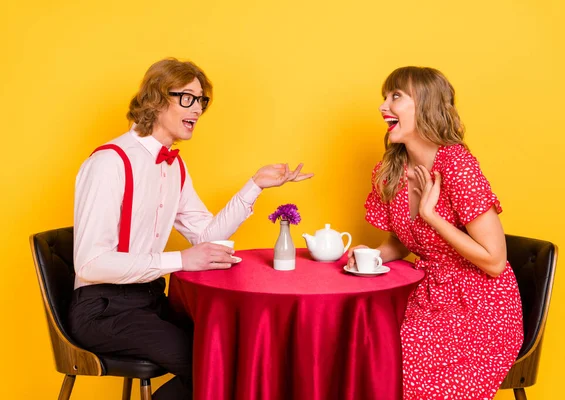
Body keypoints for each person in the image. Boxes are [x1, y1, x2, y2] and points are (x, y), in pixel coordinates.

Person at [68, 57, 313, 400]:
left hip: (151, 301)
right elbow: (91, 264)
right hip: (102, 309)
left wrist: (254, 185)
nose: (196, 108)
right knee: (214, 365)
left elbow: (206, 237)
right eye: (186, 97)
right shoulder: (109, 162)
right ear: (155, 99)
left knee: (239, 349)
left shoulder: (174, 166)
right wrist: (180, 260)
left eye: (200, 100)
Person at [348, 66, 523, 399]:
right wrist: (359, 258)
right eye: (385, 97)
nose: (383, 106)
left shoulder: (457, 165)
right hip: (425, 295)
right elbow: (398, 245)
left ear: (425, 106)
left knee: (406, 366)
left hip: (480, 304)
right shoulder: (392, 171)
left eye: (396, 96)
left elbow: (495, 261)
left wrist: (432, 216)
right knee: (367, 348)